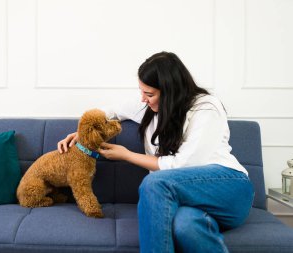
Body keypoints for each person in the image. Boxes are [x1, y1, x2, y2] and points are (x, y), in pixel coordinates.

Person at [57, 51, 254, 253]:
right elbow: (111, 111)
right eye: (142, 92)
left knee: (155, 183)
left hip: (228, 188)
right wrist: (81, 134)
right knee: (185, 226)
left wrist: (127, 155)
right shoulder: (149, 108)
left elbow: (184, 165)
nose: (143, 99)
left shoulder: (206, 108)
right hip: (190, 202)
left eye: (149, 94)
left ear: (170, 92)